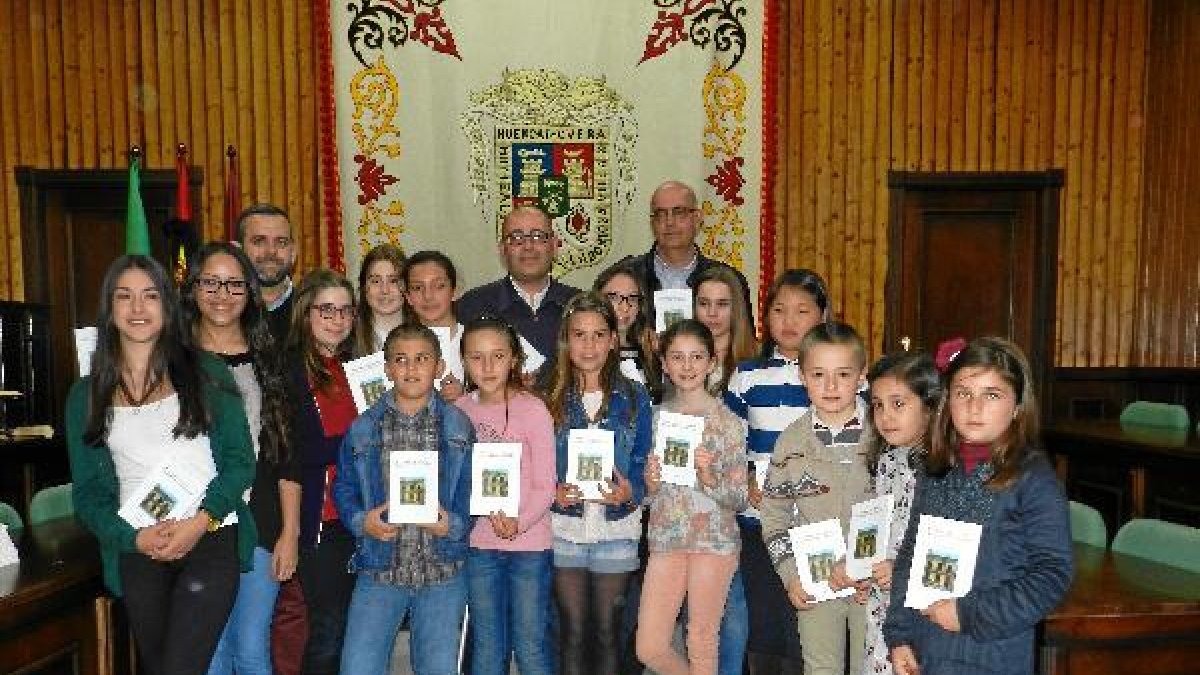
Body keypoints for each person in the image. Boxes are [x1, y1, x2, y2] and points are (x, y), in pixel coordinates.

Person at [65, 255, 257, 675]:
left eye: (150, 296)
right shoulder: (86, 396)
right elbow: (88, 495)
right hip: (139, 544)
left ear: (167, 305)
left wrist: (201, 521)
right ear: (109, 309)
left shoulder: (206, 373)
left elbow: (241, 463)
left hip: (209, 534)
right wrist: (132, 540)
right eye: (125, 297)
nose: (138, 309)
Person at [885, 338, 1073, 675]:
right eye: (963, 393)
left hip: (992, 654)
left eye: (992, 395)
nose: (974, 407)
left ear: (1017, 406)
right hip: (929, 648)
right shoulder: (936, 470)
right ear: (947, 401)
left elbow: (1050, 576)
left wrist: (968, 613)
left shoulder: (1034, 480)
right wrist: (900, 635)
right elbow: (911, 554)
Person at [184, 243, 301, 675]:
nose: (222, 293)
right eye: (211, 282)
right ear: (194, 288)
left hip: (261, 520)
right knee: (210, 651)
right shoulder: (173, 357)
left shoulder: (269, 359)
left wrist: (290, 532)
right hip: (195, 520)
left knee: (251, 650)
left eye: (234, 283)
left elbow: (285, 455)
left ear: (249, 292)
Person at [333, 323, 475, 675]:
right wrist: (361, 522)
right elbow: (344, 486)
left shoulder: (458, 426)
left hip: (442, 571)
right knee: (357, 668)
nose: (411, 368)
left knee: (439, 668)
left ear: (439, 367)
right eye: (401, 360)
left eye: (422, 359)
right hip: (380, 570)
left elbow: (471, 492)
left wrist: (453, 524)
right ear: (387, 368)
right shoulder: (364, 427)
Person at [723, 268, 831, 672]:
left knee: (808, 631)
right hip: (758, 525)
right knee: (764, 631)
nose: (789, 320)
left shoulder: (840, 376)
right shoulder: (749, 374)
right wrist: (745, 475)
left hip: (816, 526)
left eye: (802, 311)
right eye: (779, 310)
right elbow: (728, 441)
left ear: (822, 317)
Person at [545, 292, 652, 675]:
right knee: (572, 632)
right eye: (579, 335)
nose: (589, 345)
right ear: (565, 340)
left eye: (598, 335)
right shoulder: (549, 397)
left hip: (616, 527)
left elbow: (644, 460)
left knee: (608, 632)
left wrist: (632, 491)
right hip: (564, 526)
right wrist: (550, 492)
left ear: (613, 340)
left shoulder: (635, 397)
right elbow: (535, 462)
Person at [760, 321, 873, 675]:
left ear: (862, 376)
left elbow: (901, 511)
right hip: (816, 580)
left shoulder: (883, 437)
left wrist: (882, 570)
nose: (831, 386)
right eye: (819, 374)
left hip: (871, 582)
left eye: (843, 374)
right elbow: (774, 519)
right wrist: (792, 576)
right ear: (802, 377)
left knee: (871, 668)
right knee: (820, 669)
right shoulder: (790, 444)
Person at [637, 320, 748, 675]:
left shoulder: (727, 422)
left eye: (696, 357)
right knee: (650, 647)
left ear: (712, 362)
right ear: (664, 364)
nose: (687, 366)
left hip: (713, 543)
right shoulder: (654, 419)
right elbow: (646, 499)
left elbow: (741, 497)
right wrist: (650, 485)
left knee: (702, 639)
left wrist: (708, 477)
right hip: (667, 539)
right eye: (677, 357)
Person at [456, 316, 558, 675]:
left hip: (530, 546)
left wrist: (518, 521)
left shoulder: (534, 410)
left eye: (497, 356)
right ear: (463, 360)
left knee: (530, 643)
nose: (487, 366)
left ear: (514, 359)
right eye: (476, 357)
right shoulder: (459, 412)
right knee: (487, 643)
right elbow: (456, 480)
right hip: (479, 545)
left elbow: (546, 484)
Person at [286, 269, 359, 675]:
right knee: (327, 630)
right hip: (320, 520)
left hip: (359, 516)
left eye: (346, 310)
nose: (337, 319)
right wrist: (357, 443)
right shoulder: (291, 371)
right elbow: (297, 450)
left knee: (351, 629)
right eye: (326, 309)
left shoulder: (358, 369)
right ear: (306, 312)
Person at [857, 352, 941, 675]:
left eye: (898, 404)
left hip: (920, 611)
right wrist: (863, 570)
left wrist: (903, 568)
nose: (886, 416)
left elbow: (941, 546)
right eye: (878, 405)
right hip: (883, 606)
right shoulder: (886, 461)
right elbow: (878, 529)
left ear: (930, 405)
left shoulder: (942, 471)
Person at [456, 206, 583, 366]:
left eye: (538, 236)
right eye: (516, 238)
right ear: (503, 250)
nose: (528, 246)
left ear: (554, 245)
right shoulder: (472, 306)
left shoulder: (579, 304)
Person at [620, 180, 753, 322]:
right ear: (653, 223)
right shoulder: (626, 275)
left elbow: (743, 338)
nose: (669, 222)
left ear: (697, 218)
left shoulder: (728, 280)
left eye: (679, 212)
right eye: (661, 214)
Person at [404, 250, 468, 400]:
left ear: (454, 290)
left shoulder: (477, 341)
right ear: (408, 297)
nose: (428, 296)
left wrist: (467, 399)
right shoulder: (397, 347)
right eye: (418, 288)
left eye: (439, 286)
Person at [593, 261, 660, 395]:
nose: (625, 307)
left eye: (632, 298)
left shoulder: (651, 349)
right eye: (614, 297)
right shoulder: (587, 350)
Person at [235, 204, 297, 344]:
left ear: (293, 253)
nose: (271, 251)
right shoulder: (221, 312)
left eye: (281, 242)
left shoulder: (314, 311)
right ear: (238, 252)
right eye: (259, 241)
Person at [693, 265, 759, 396]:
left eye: (722, 304)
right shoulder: (679, 357)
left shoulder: (759, 358)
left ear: (737, 308)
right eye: (704, 303)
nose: (712, 313)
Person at [354, 242, 407, 355]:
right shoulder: (347, 336)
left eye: (393, 281)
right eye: (376, 281)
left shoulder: (427, 331)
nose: (384, 290)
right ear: (364, 287)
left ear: (406, 285)